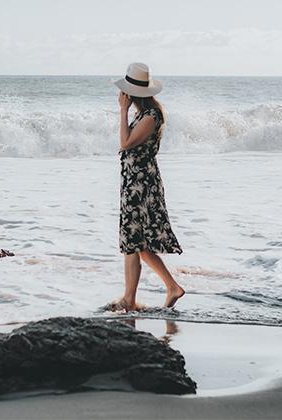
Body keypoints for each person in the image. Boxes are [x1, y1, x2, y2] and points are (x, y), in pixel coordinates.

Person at [112, 62, 185, 312]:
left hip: (141, 186)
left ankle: (130, 300)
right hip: (135, 182)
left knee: (133, 242)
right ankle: (169, 288)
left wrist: (122, 112)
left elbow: (126, 143)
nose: (123, 97)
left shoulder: (151, 116)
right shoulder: (143, 114)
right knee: (137, 244)